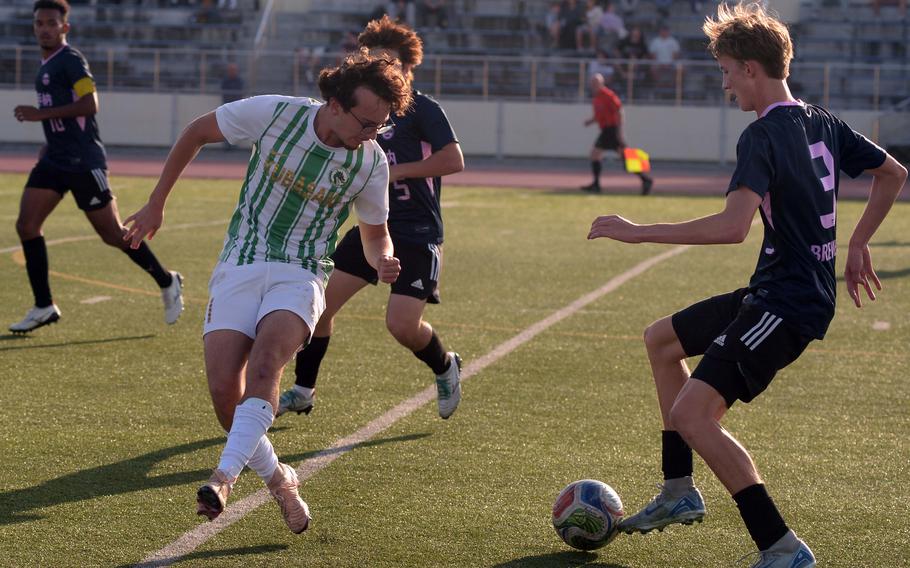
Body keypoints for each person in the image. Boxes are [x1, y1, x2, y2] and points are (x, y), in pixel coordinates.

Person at [588, 3, 907, 567]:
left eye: (727, 71)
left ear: (753, 70)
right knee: (660, 341)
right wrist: (858, 243)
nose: (726, 83)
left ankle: (781, 547)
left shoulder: (761, 136)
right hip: (780, 290)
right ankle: (678, 491)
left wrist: (638, 233)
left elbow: (732, 228)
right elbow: (894, 174)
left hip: (788, 304)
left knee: (692, 415)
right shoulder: (821, 119)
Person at [122, 50, 412, 532]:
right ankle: (280, 480)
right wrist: (157, 202)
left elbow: (375, 229)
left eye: (380, 126)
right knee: (223, 396)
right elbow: (197, 131)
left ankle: (223, 479)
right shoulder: (275, 113)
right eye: (366, 122)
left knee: (266, 364)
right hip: (241, 260)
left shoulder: (371, 163)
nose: (372, 134)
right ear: (336, 104)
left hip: (304, 270)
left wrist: (382, 255)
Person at [277, 15, 465, 421]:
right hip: (372, 228)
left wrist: (395, 172)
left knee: (401, 325)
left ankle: (444, 363)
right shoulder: (359, 109)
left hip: (416, 232)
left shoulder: (422, 109)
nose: (385, 70)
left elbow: (453, 160)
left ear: (408, 67)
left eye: (392, 63)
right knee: (320, 309)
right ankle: (303, 390)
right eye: (377, 62)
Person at [10, 0, 183, 334]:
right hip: (55, 159)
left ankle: (167, 280)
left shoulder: (71, 60)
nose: (44, 28)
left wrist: (38, 115)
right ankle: (44, 305)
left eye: (51, 23)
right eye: (39, 23)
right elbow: (64, 112)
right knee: (27, 225)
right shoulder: (45, 63)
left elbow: (90, 104)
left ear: (65, 27)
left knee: (114, 235)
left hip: (82, 161)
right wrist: (50, 137)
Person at [581, 73, 652, 195]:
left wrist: (619, 130)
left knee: (624, 158)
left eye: (596, 82)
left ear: (601, 83)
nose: (593, 85)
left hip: (612, 130)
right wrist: (590, 121)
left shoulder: (608, 95)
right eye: (592, 83)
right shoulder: (596, 98)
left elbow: (619, 111)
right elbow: (599, 116)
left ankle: (646, 179)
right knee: (597, 154)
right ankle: (596, 184)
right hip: (606, 130)